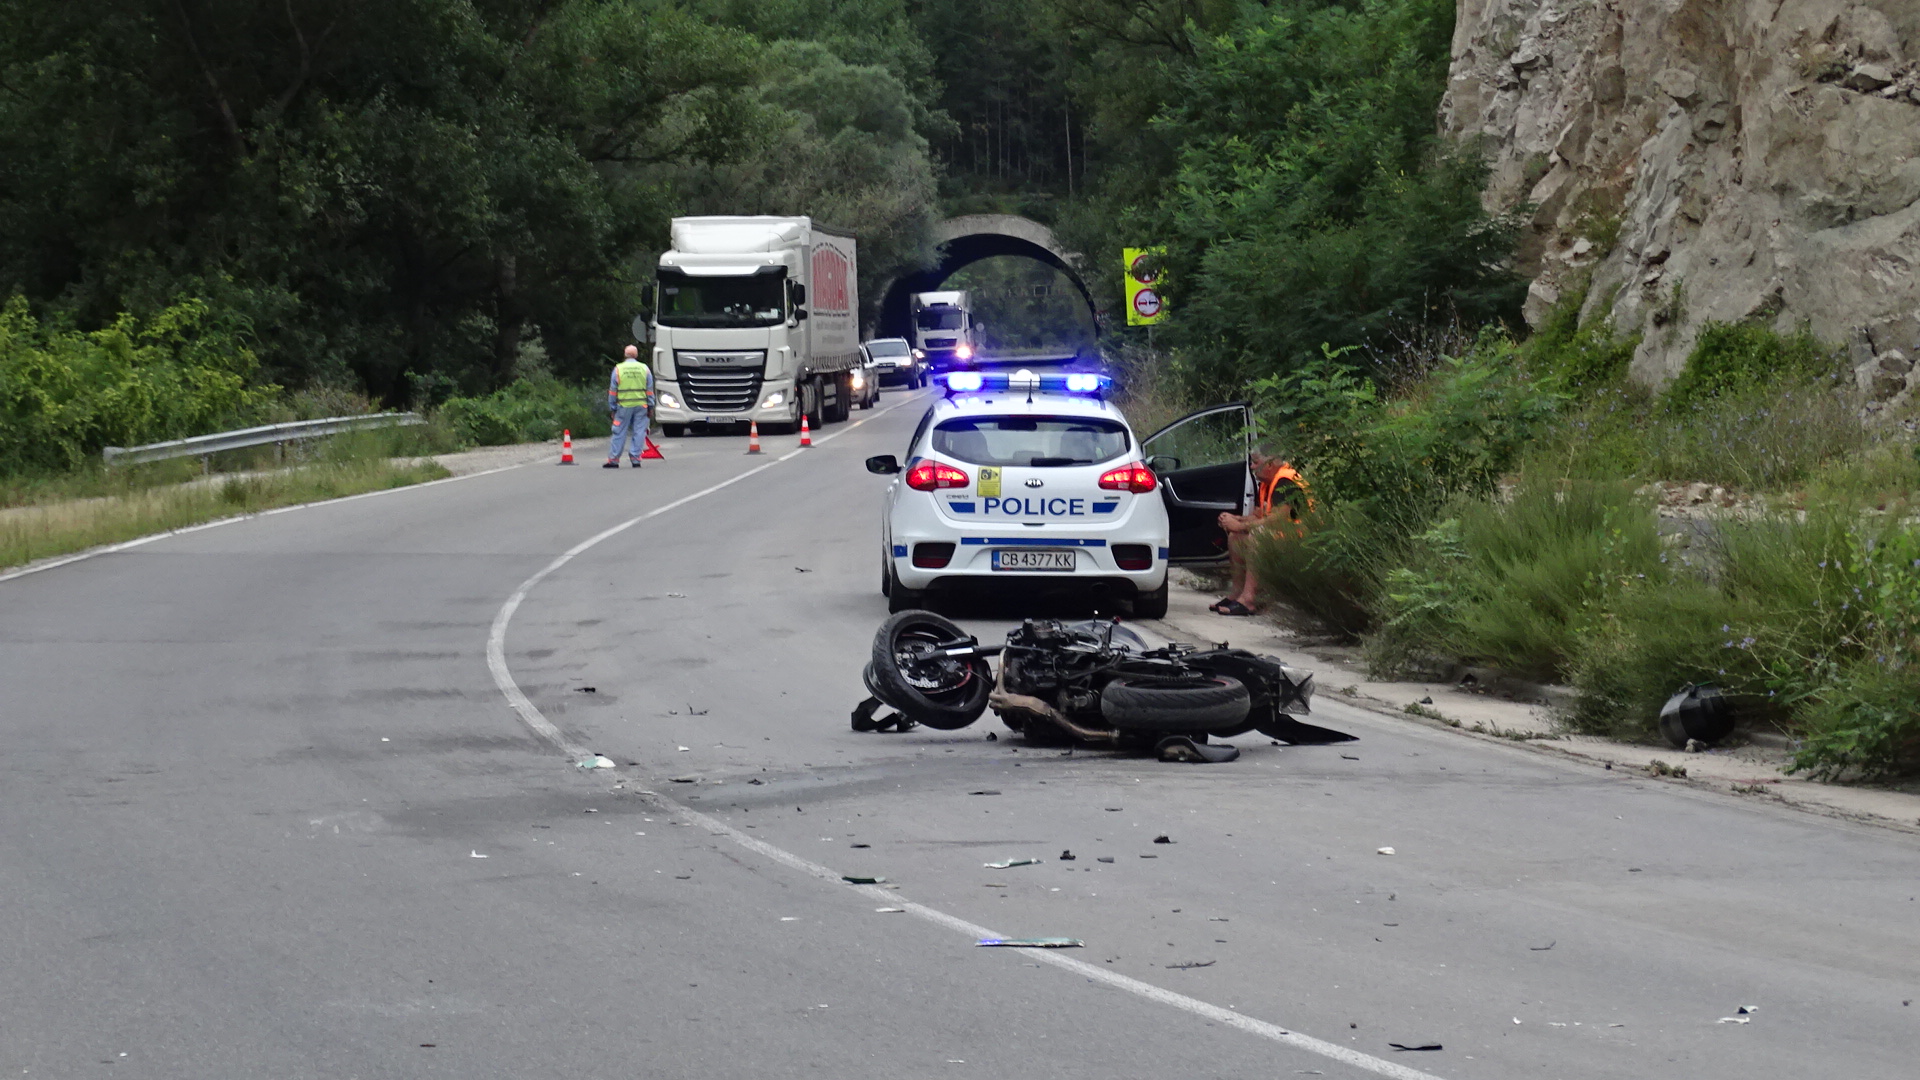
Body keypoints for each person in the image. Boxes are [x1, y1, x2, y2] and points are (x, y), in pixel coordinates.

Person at [1211, 452, 1310, 616]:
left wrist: (1240, 526)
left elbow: (1278, 520)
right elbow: (1259, 516)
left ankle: (1249, 600)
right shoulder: (1266, 484)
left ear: (1269, 465)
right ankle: (1237, 593)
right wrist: (1236, 519)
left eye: (1255, 463)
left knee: (1257, 535)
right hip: (1283, 535)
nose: (1251, 467)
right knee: (1235, 537)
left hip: (1302, 539)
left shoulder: (1285, 481)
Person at [606, 344, 653, 468]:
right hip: (641, 406)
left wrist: (612, 407)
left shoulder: (618, 369)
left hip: (623, 406)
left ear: (625, 355)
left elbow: (613, 391)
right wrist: (650, 406)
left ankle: (614, 460)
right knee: (639, 432)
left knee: (619, 432)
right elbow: (649, 390)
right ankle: (636, 458)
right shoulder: (644, 369)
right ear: (636, 355)